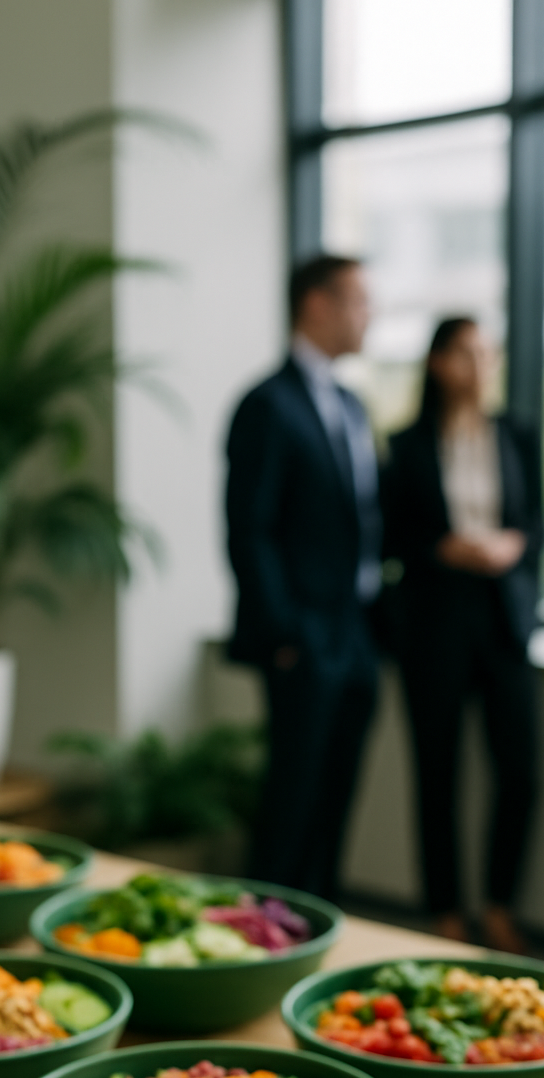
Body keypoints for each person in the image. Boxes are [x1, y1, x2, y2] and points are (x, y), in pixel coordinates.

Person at [224, 254, 382, 900]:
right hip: (303, 639)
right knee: (292, 801)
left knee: (337, 800)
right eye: (359, 302)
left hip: (357, 636)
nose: (370, 316)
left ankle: (322, 928)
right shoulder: (267, 405)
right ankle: (267, 934)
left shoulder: (352, 405)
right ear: (316, 304)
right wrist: (285, 633)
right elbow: (249, 529)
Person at [383, 317, 543, 950]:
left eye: (488, 353)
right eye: (467, 353)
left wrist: (513, 545)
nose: (480, 366)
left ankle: (500, 904)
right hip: (435, 621)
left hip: (504, 619)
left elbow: (538, 524)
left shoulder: (517, 435)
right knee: (437, 771)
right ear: (437, 363)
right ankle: (445, 909)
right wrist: (442, 549)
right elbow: (390, 537)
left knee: (522, 771)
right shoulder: (406, 444)